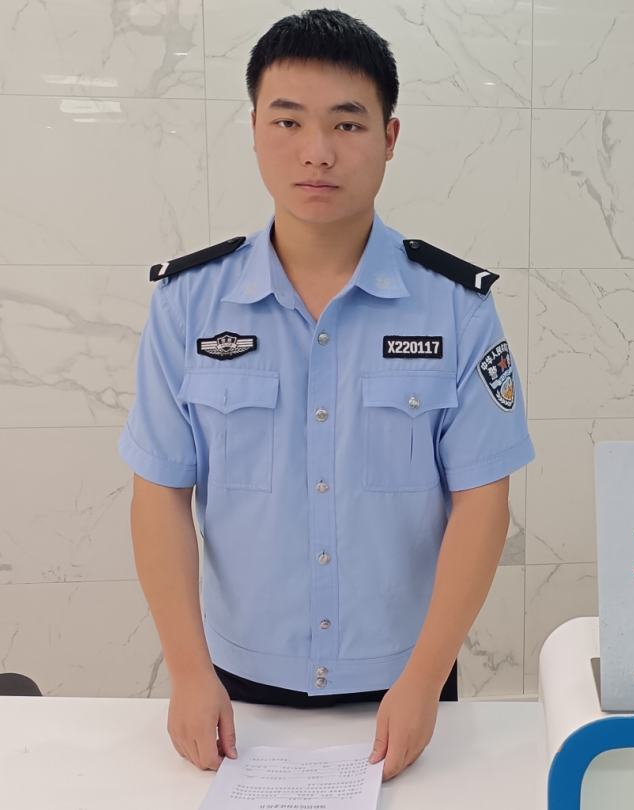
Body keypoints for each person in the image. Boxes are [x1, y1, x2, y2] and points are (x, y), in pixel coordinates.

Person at [119, 9, 533, 781]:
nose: (317, 152)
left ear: (389, 137)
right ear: (253, 130)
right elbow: (159, 492)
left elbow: (484, 501)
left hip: (406, 685)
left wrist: (423, 679)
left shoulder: (456, 308)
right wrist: (187, 672)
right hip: (237, 686)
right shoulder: (188, 304)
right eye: (288, 121)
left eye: (347, 123)